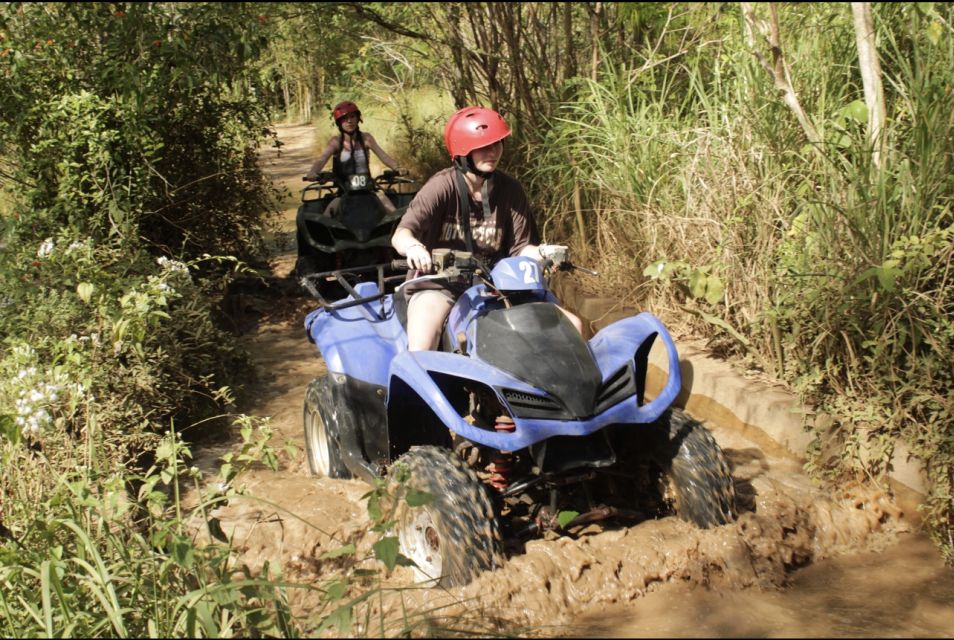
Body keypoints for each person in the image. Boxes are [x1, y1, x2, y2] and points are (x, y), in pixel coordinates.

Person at [391, 105, 583, 351]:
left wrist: (545, 253)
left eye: (497, 144)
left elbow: (522, 249)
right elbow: (401, 234)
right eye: (483, 146)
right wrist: (414, 248)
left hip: (499, 285)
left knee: (573, 326)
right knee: (422, 345)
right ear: (463, 152)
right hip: (440, 285)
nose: (493, 151)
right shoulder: (441, 186)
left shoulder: (511, 190)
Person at [305, 100, 407, 214]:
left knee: (393, 212)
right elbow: (322, 159)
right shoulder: (336, 142)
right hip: (343, 192)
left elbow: (384, 156)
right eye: (345, 118)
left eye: (352, 116)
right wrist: (313, 172)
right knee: (326, 218)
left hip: (369, 190)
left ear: (358, 118)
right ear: (339, 123)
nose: (349, 121)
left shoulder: (366, 138)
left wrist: (397, 168)